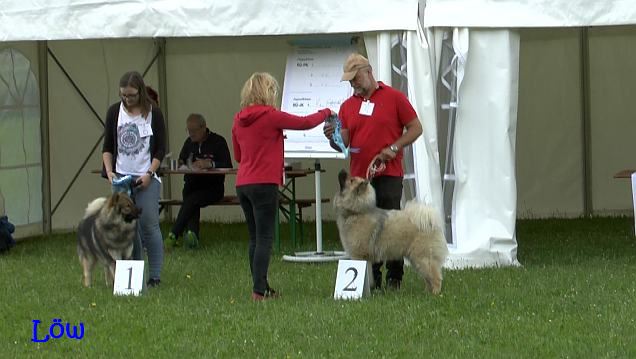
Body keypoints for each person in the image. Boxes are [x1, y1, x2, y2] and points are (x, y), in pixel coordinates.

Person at [324, 53, 423, 290]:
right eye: (349, 81)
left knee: (391, 225)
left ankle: (394, 276)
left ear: (368, 72)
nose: (353, 84)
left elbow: (416, 128)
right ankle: (372, 278)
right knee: (365, 227)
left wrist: (393, 147)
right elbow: (344, 141)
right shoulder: (348, 106)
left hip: (388, 172)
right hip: (360, 180)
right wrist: (333, 138)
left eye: (355, 78)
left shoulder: (394, 98)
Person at [232, 72, 333, 301]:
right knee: (266, 238)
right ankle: (259, 291)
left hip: (243, 183)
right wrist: (326, 112)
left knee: (254, 238)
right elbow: (305, 122)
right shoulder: (271, 116)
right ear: (269, 93)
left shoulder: (238, 119)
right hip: (264, 182)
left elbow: (238, 155)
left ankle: (262, 285)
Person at [102, 71, 166, 288]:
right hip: (121, 179)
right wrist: (110, 173)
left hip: (146, 177)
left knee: (148, 223)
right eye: (123, 96)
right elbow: (108, 147)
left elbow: (160, 149)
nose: (127, 100)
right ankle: (128, 276)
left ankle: (155, 276)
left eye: (131, 95)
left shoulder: (153, 114)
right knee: (125, 229)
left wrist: (149, 174)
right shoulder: (114, 112)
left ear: (141, 92)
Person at [165, 113, 232, 249]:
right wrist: (180, 164)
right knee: (190, 197)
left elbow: (227, 164)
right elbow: (182, 159)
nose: (191, 134)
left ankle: (174, 234)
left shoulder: (218, 142)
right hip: (192, 185)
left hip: (212, 188)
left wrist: (210, 164)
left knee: (191, 200)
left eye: (194, 131)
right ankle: (191, 235)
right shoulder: (189, 143)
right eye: (188, 131)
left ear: (204, 128)